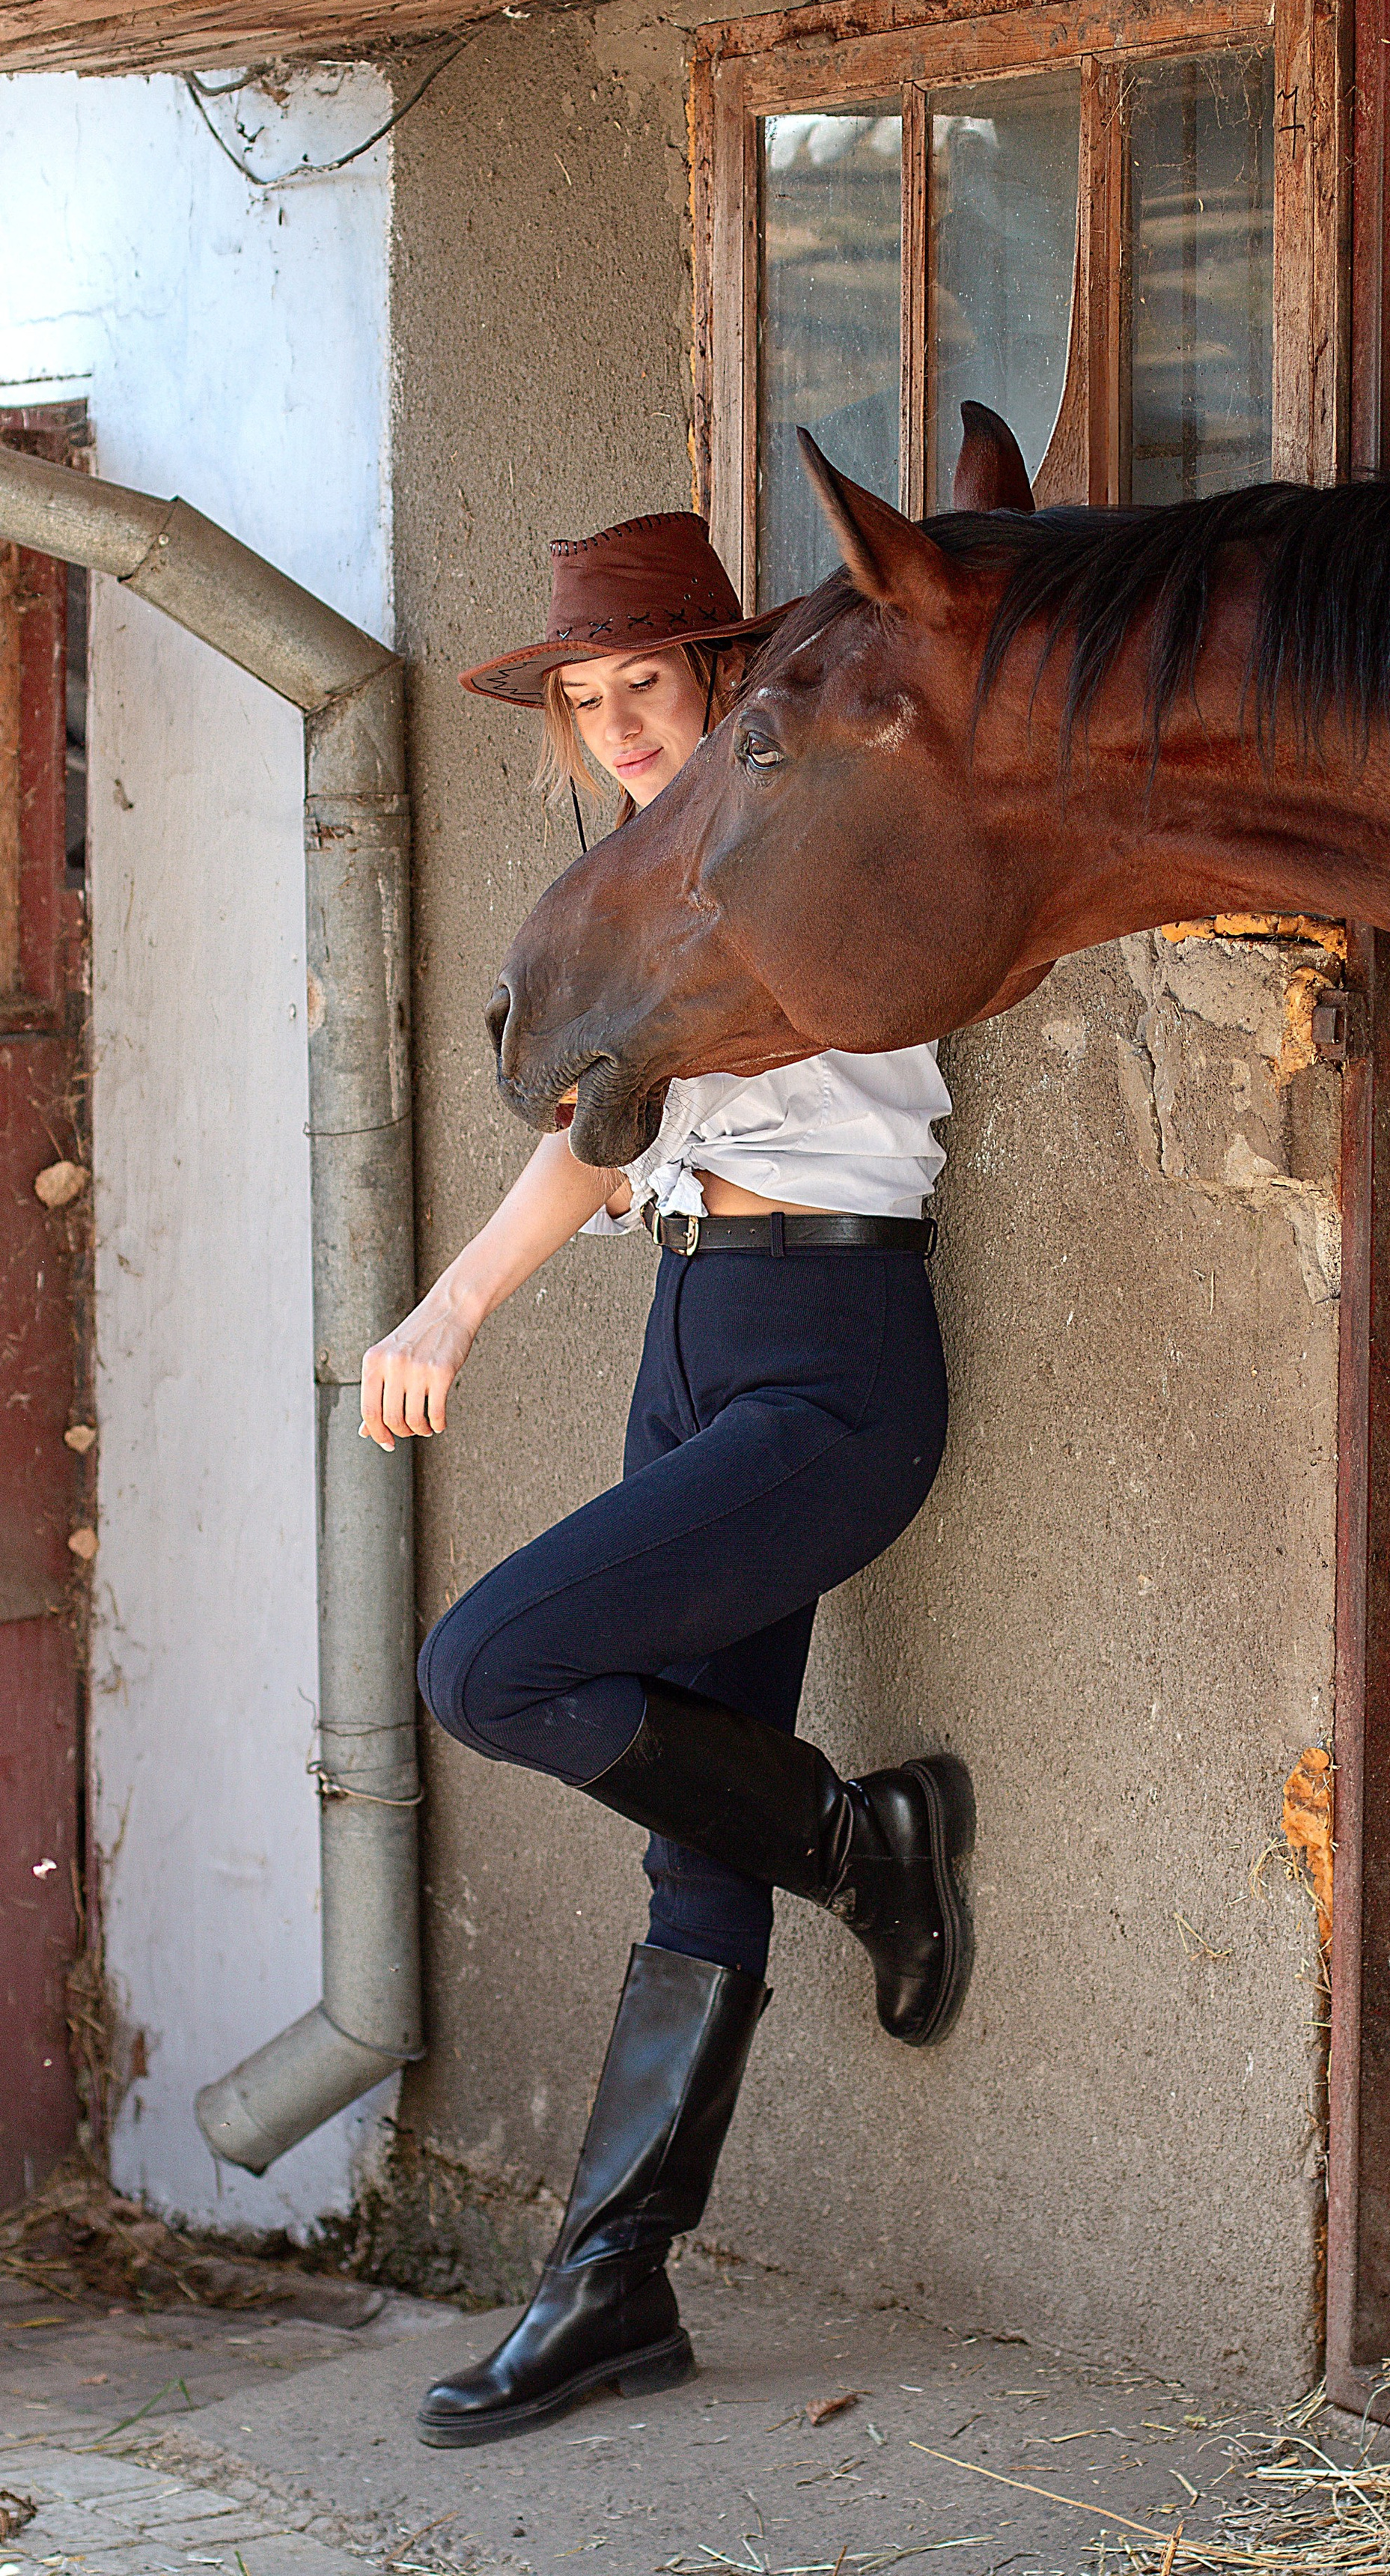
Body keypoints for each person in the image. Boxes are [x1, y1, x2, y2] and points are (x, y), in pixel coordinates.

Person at [362, 512, 968, 2449]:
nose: (620, 725)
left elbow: (619, 1107)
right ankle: (613, 2289)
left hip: (831, 1361)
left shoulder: (803, 848)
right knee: (692, 1840)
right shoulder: (635, 882)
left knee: (486, 1667)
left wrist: (452, 1309)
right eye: (587, 698)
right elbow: (605, 1130)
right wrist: (454, 1305)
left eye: (648, 684)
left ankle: (861, 1844)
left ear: (720, 680)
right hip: (691, 1336)